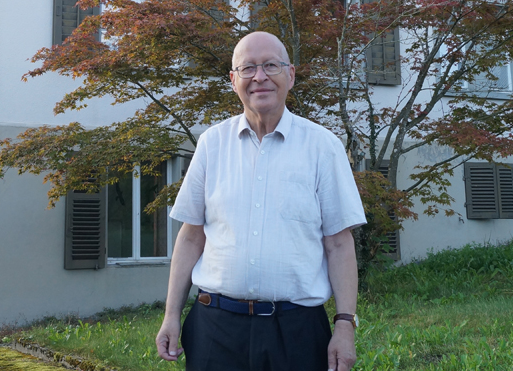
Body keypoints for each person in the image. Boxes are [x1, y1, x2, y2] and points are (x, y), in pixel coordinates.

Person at [155, 31, 366, 371]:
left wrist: (345, 324)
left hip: (297, 332)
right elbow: (191, 236)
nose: (260, 77)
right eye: (248, 68)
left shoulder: (323, 148)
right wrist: (171, 316)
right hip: (214, 329)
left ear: (291, 75)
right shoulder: (212, 144)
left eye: (271, 65)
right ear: (233, 79)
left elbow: (340, 244)